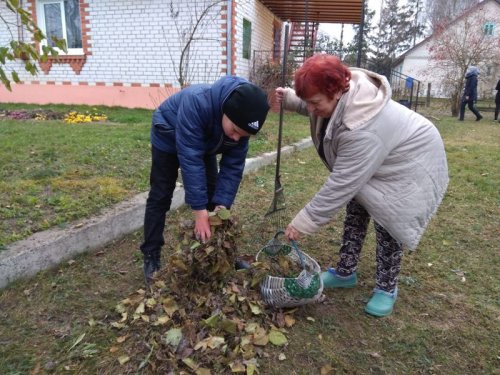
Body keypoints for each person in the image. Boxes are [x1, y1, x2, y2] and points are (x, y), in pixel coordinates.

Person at [275, 54, 449, 317]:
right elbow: (321, 108)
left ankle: (386, 287)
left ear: (335, 92)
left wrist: (304, 221)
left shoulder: (363, 128)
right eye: (307, 102)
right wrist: (291, 98)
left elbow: (342, 182)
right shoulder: (342, 97)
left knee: (388, 219)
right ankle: (346, 271)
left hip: (410, 162)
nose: (310, 108)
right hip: (382, 153)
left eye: (314, 102)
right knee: (356, 209)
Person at [141, 76, 270, 284]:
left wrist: (222, 204)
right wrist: (199, 211)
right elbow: (191, 160)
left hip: (205, 140)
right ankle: (151, 254)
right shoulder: (197, 101)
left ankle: (215, 251)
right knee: (161, 194)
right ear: (226, 112)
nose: (237, 138)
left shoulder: (240, 127)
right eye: (235, 131)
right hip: (168, 132)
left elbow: (232, 168)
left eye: (243, 135)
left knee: (213, 195)